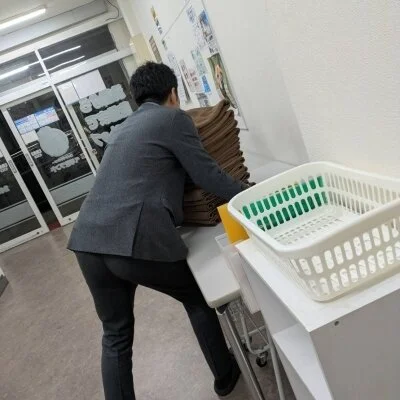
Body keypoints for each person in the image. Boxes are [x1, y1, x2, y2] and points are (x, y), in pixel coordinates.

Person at [68, 62, 247, 400]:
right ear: (173, 93)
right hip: (133, 238)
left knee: (115, 335)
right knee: (196, 297)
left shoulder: (122, 129)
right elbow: (207, 175)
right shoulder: (172, 119)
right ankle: (225, 376)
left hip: (87, 240)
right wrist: (249, 195)